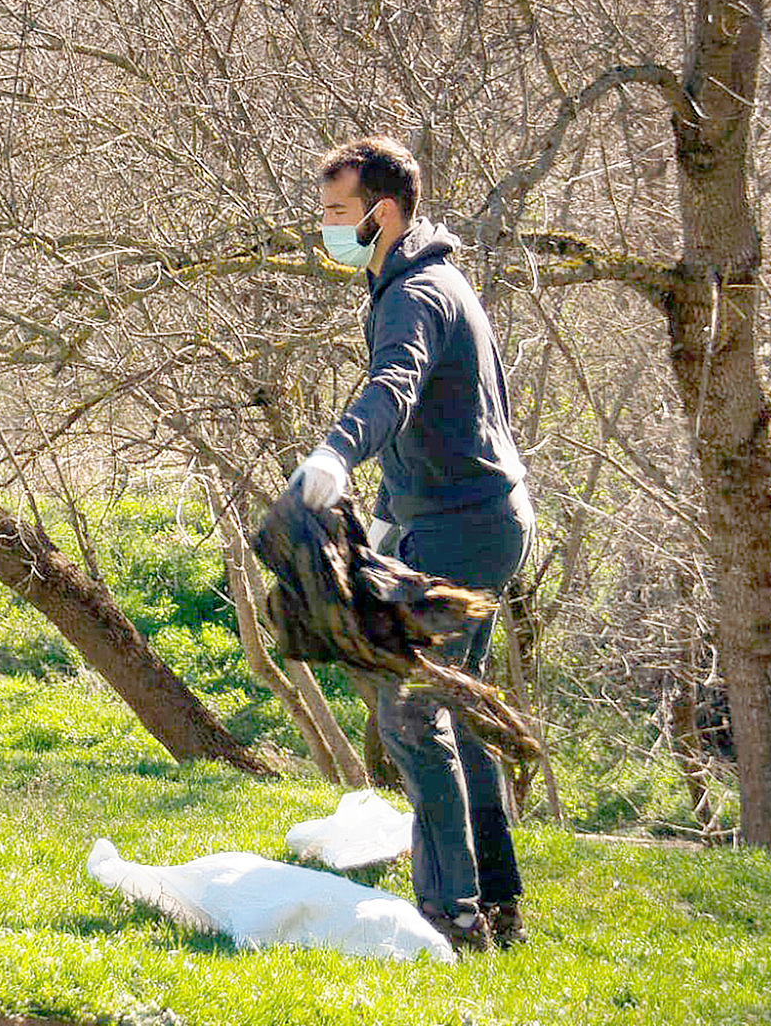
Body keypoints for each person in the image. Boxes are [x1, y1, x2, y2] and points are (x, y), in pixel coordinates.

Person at [290, 137, 535, 953]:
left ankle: (451, 916)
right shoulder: (434, 279)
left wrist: (335, 454)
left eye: (336, 213)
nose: (324, 227)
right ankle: (496, 908)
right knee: (457, 716)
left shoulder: (414, 294)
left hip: (461, 525)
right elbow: (447, 416)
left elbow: (393, 388)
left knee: (411, 709)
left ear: (381, 214)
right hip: (480, 518)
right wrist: (390, 516)